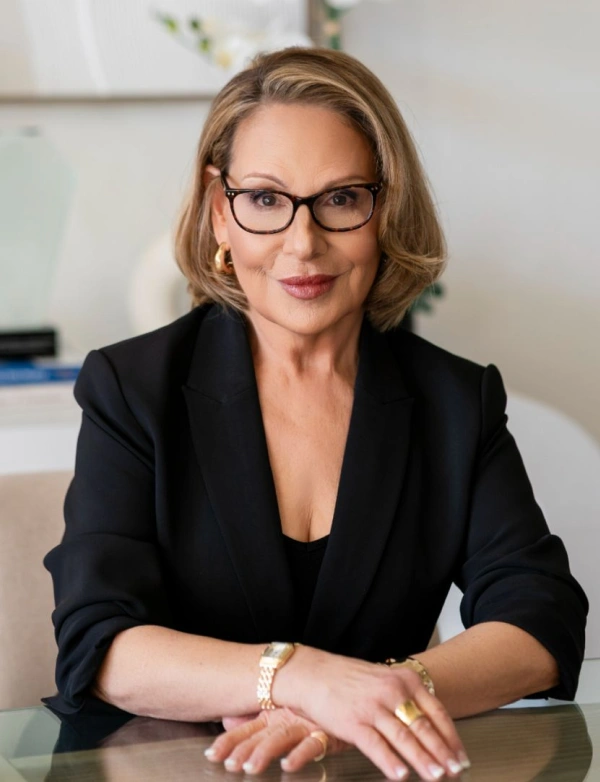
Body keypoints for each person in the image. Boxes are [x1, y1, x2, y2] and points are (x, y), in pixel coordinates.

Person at [44, 47, 587, 781]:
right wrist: (300, 679)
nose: (303, 244)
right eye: (266, 200)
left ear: (386, 210)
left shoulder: (456, 400)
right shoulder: (133, 387)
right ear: (219, 212)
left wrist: (377, 700)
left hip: (365, 769)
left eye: (341, 198)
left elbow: (540, 618)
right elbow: (100, 644)